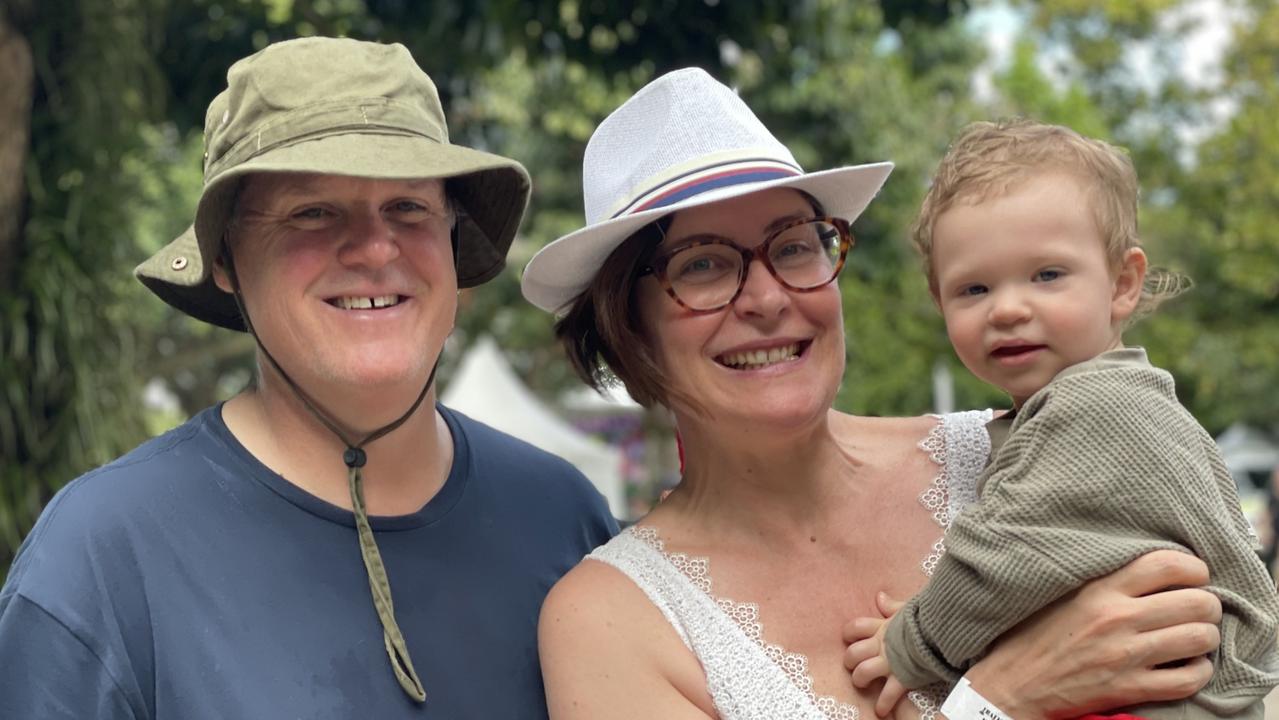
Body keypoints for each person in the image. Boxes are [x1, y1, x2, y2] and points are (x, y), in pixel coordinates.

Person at [522, 68, 1224, 720]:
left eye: (795, 246)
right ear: (625, 325)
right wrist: (1004, 695)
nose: (767, 298)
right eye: (702, 264)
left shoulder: (1035, 446)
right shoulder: (611, 621)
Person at [0, 37, 616, 718]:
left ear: (452, 240)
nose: (375, 248)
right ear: (226, 259)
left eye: (408, 208)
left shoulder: (561, 516)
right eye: (311, 212)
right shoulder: (103, 554)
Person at [844, 118, 1279, 719]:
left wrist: (911, 644)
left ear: (1122, 284)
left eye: (1047, 275)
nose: (1008, 309)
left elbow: (1001, 560)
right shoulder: (1113, 401)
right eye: (973, 289)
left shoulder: (1098, 409)